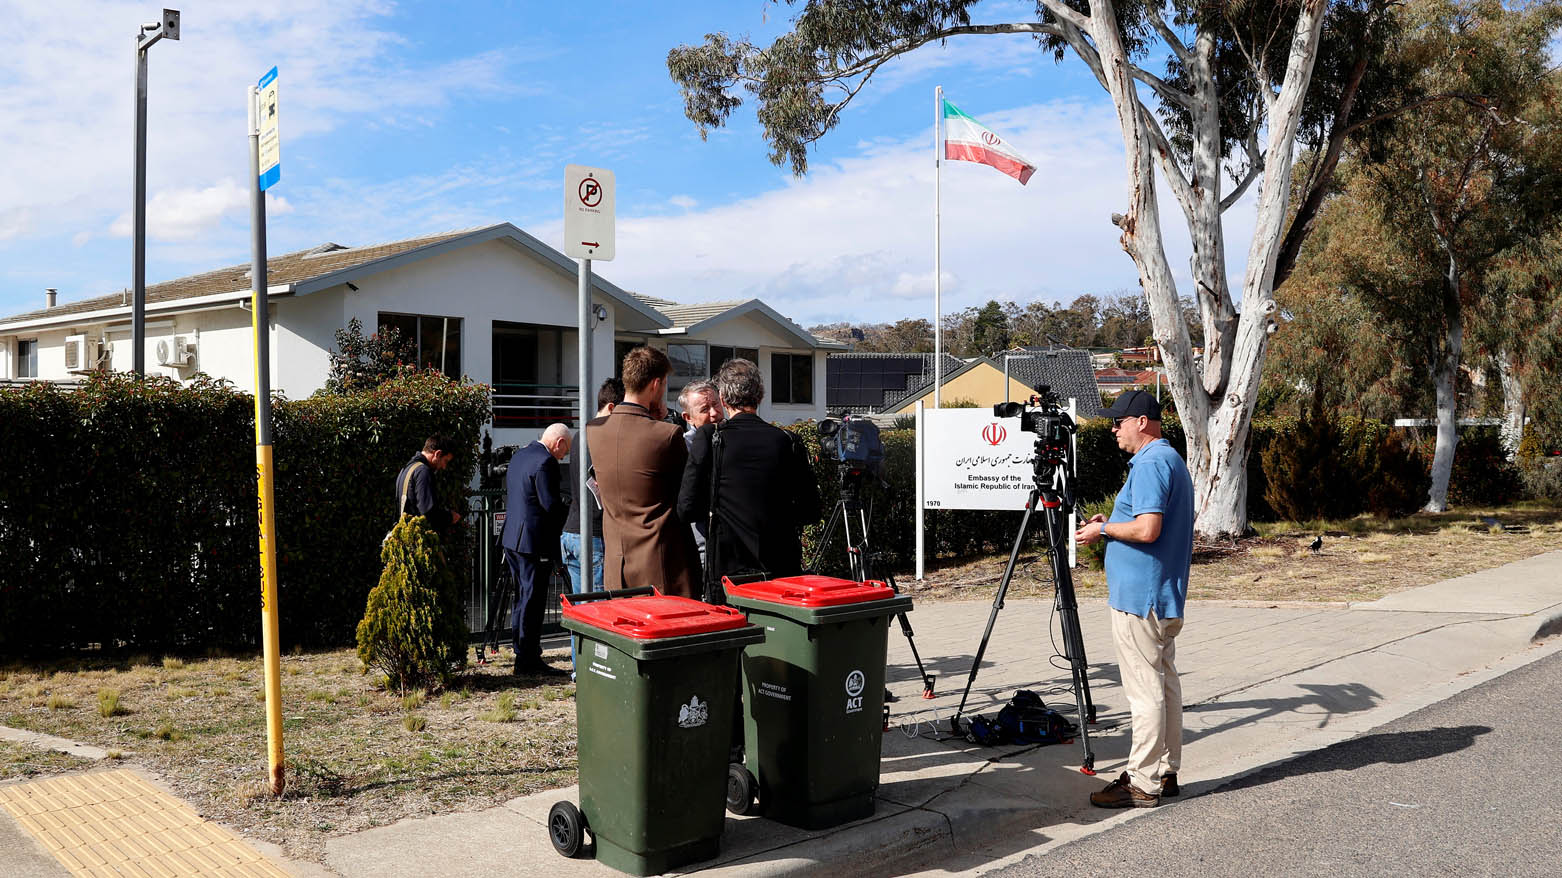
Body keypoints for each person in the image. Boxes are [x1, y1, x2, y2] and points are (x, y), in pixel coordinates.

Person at [1074, 389, 1194, 809]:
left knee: (1145, 692)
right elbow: (1145, 523)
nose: (1112, 428)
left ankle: (1142, 782)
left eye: (1118, 421)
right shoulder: (1167, 459)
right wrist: (1111, 521)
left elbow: (1147, 531)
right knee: (1164, 686)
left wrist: (1103, 531)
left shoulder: (1151, 463)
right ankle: (1165, 770)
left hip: (1140, 599)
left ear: (1141, 421)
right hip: (1159, 595)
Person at [678, 358, 819, 596]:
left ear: (722, 399)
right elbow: (811, 511)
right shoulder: (788, 441)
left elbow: (687, 509)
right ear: (761, 397)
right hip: (782, 569)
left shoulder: (710, 439)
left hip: (728, 573)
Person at [587, 346, 702, 597]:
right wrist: (660, 422)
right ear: (656, 384)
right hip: (663, 568)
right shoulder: (668, 434)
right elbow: (687, 495)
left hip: (616, 566)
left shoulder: (593, 430)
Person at [501, 423, 572, 677]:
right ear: (559, 443)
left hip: (513, 538)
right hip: (534, 541)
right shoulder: (546, 462)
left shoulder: (520, 455)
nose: (563, 456)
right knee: (533, 599)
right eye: (565, 451)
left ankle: (522, 650)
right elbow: (550, 505)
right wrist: (572, 513)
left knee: (522, 596)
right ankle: (528, 657)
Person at [560, 378, 624, 592]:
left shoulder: (580, 434)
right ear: (611, 407)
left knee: (582, 611)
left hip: (571, 532)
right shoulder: (602, 436)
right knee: (599, 610)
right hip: (593, 535)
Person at [677, 380, 726, 567]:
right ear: (688, 417)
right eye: (705, 409)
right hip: (703, 537)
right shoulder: (683, 447)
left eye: (716, 404)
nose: (714, 413)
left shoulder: (735, 434)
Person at [394, 435, 463, 537]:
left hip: (404, 537)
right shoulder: (423, 472)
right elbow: (428, 512)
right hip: (417, 542)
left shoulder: (407, 469)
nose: (444, 467)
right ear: (438, 453)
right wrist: (450, 517)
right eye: (445, 461)